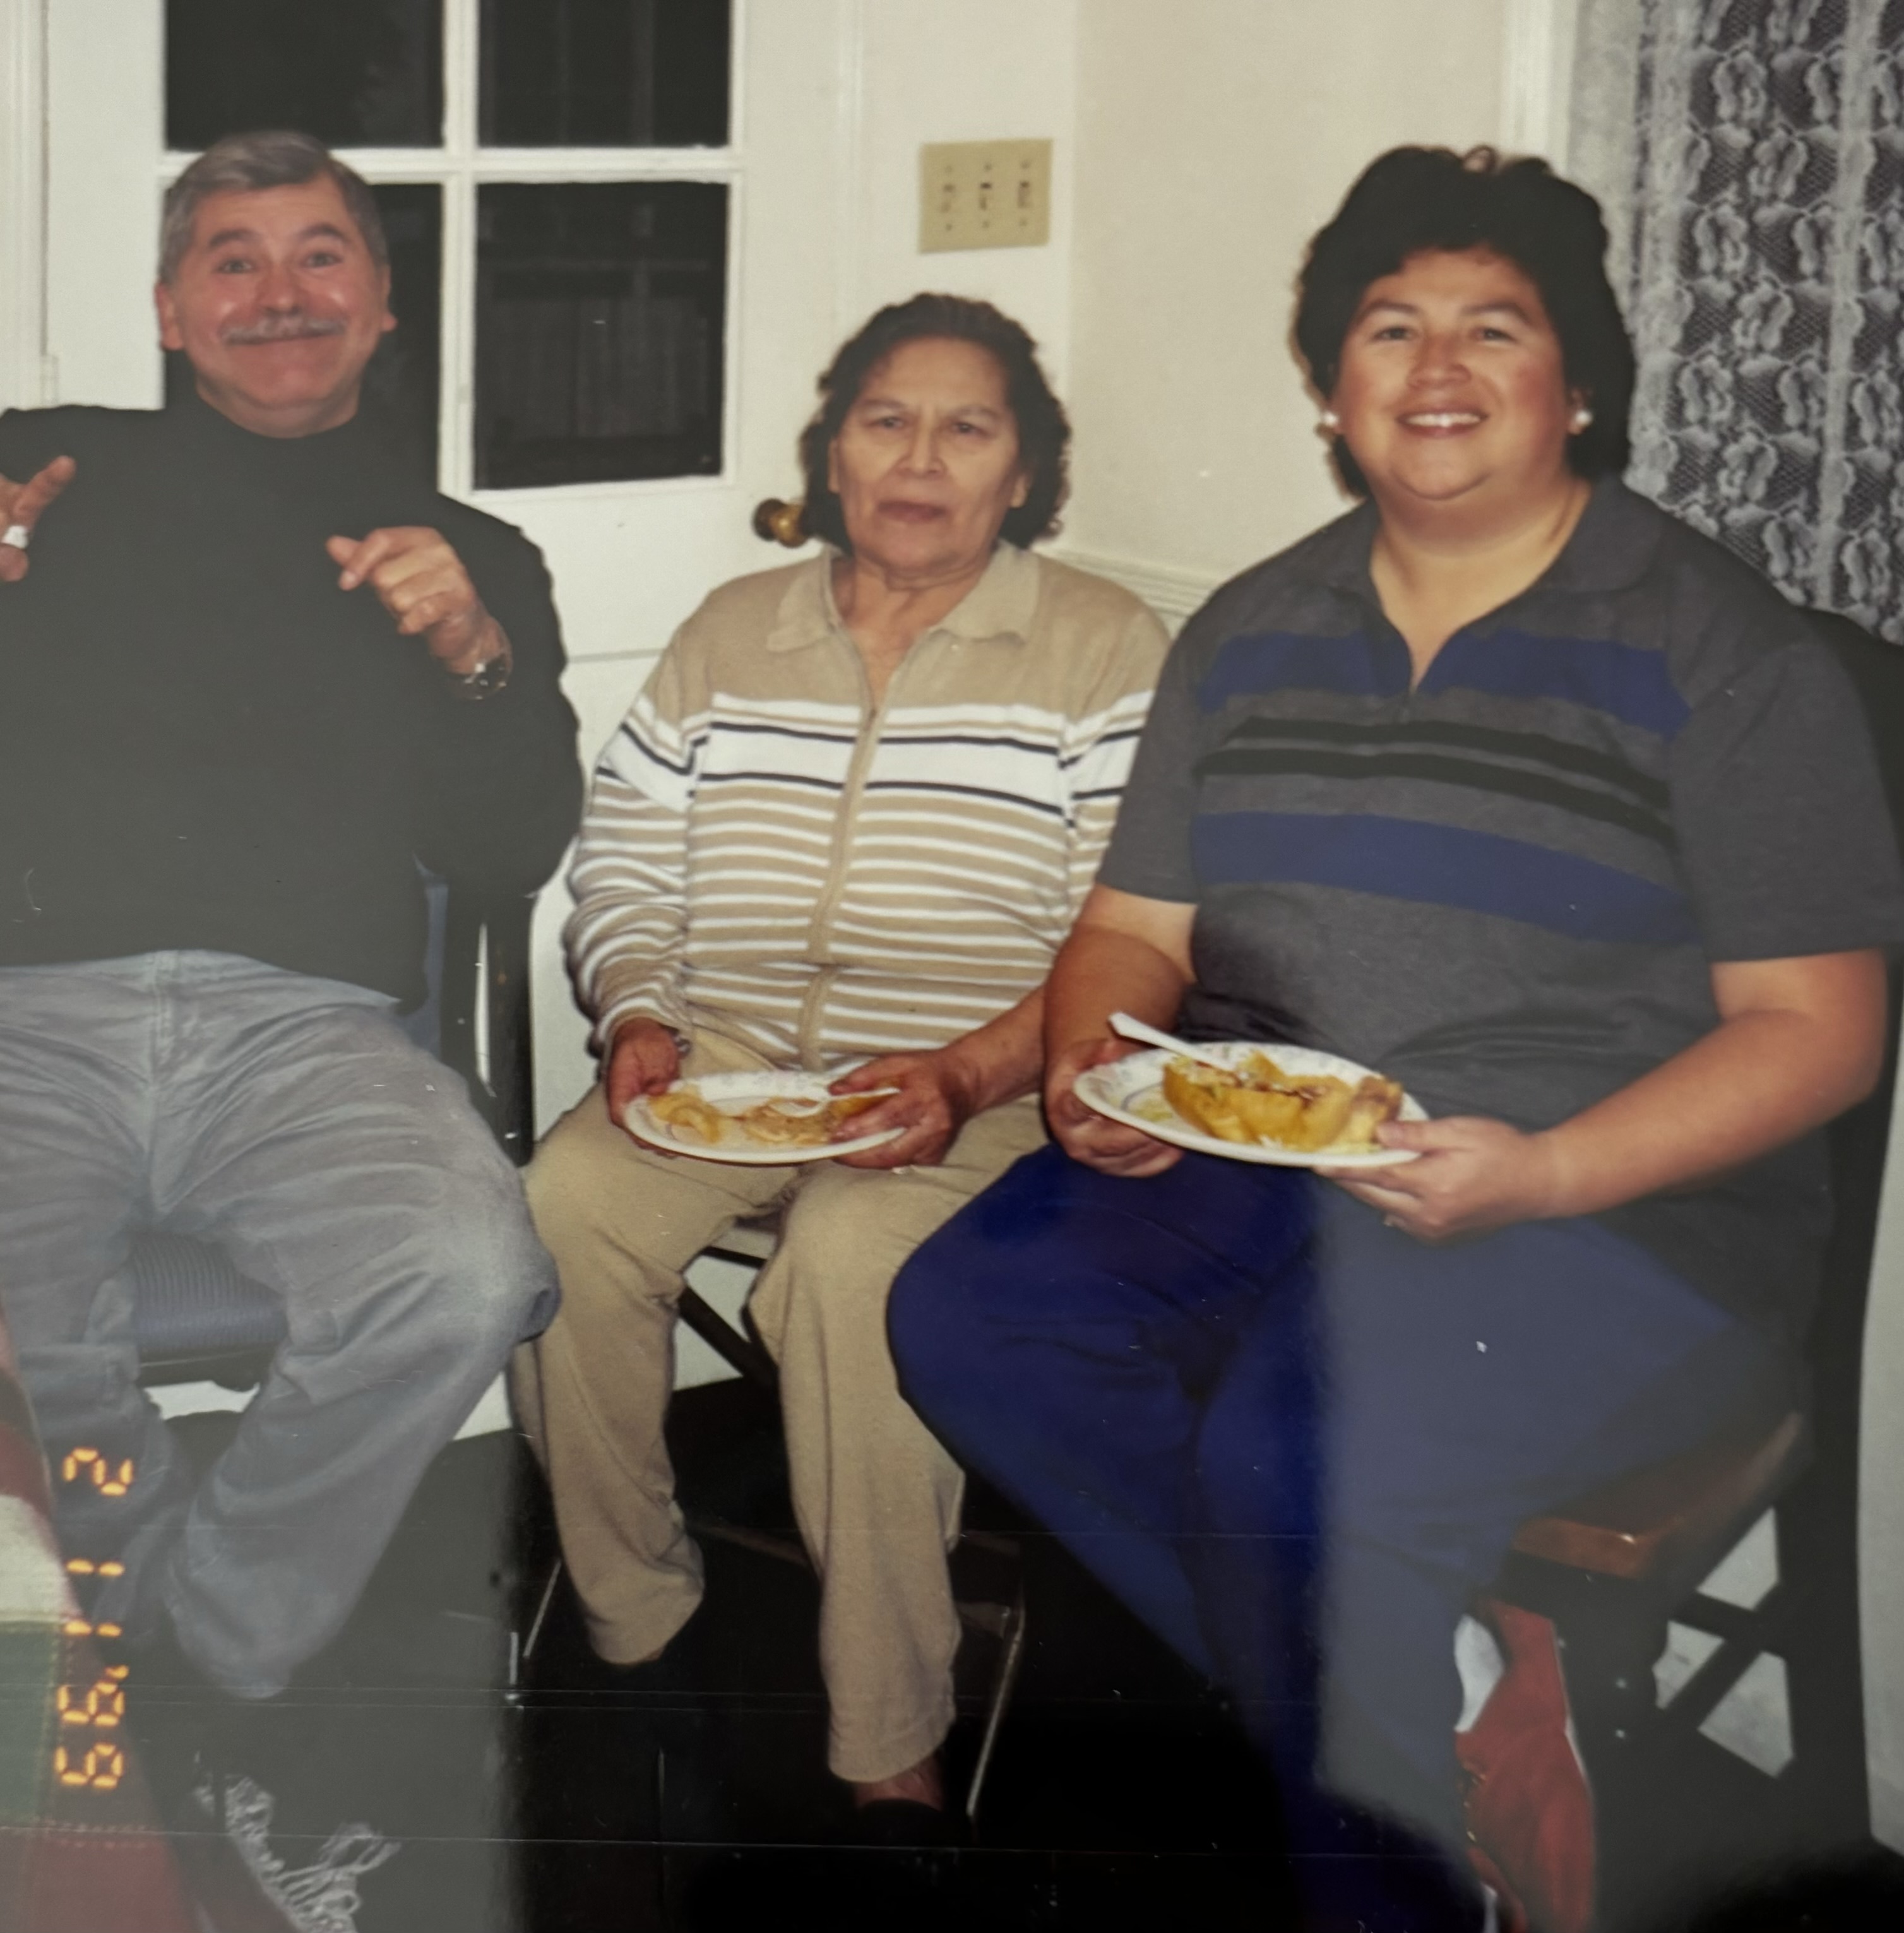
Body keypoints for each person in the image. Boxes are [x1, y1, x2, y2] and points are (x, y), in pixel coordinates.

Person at [888, 148, 1904, 1926]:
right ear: (1329, 387)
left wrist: (1548, 1171)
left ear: (1577, 384)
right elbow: (1134, 930)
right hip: (1267, 1151)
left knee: (1292, 1464)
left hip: (1616, 1210)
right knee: (971, 1314)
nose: (1435, 368)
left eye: (1491, 328)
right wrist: (1094, 1066)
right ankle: (1440, 1701)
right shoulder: (1250, 626)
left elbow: (1820, 1030)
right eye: (1388, 328)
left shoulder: (1725, 651)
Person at [511, 293, 1168, 1828]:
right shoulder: (731, 630)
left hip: (988, 1079)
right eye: (885, 420)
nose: (918, 459)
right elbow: (626, 861)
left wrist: (969, 1073)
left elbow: (1127, 932)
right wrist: (638, 1014)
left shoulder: (1103, 646)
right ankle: (635, 1614)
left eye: (966, 427)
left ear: (1024, 471)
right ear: (832, 453)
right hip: (731, 1059)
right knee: (558, 1205)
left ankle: (886, 1727)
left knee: (849, 1256)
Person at [0, 131, 577, 1758]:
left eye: (321, 254)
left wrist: (470, 650)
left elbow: (512, 850)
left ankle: (203, 1654)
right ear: (169, 310)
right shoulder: (38, 469)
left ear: (383, 301)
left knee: (468, 1273)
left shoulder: (472, 553)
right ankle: (150, 1633)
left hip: (308, 1034)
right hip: (29, 1015)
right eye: (232, 260)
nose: (279, 293)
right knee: (31, 1336)